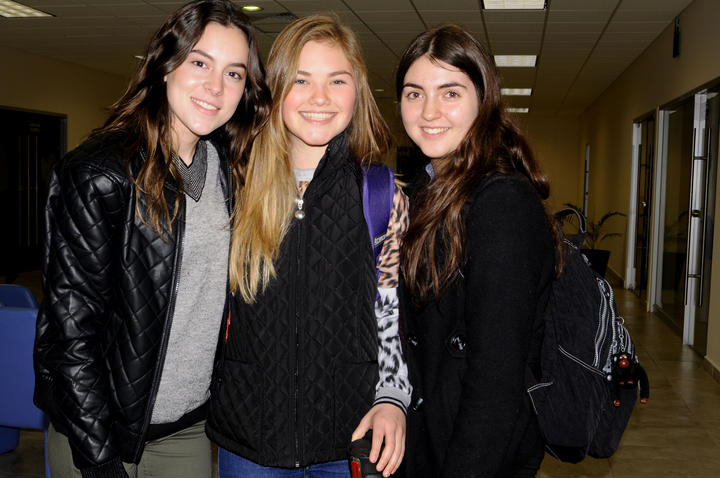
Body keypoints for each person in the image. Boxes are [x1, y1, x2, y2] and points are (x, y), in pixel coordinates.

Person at [33, 1, 270, 477]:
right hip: (97, 433)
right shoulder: (100, 174)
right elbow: (70, 334)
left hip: (187, 431)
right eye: (200, 63)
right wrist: (100, 461)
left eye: (234, 74)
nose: (216, 87)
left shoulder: (229, 171)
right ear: (165, 65)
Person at [206, 15, 410, 478]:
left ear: (357, 91)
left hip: (350, 436)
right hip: (250, 440)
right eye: (301, 80)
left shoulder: (381, 193)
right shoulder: (234, 185)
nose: (320, 97)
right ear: (275, 89)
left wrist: (393, 398)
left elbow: (392, 314)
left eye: (337, 80)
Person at [396, 25, 559, 477]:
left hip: (473, 455)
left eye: (450, 93)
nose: (429, 111)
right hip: (430, 439)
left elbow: (496, 377)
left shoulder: (502, 203)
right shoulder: (426, 190)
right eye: (414, 94)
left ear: (483, 101)